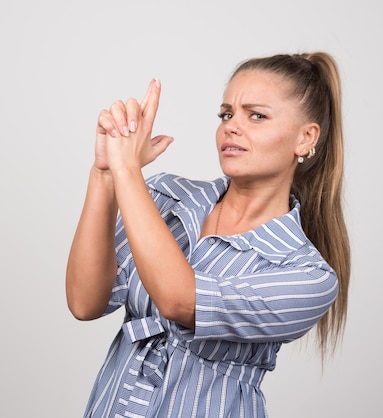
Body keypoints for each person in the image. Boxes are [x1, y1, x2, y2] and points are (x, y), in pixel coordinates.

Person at [65, 51, 351, 418]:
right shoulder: (164, 197)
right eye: (226, 114)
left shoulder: (308, 276)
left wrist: (127, 171)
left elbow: (179, 301)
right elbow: (84, 302)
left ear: (305, 138)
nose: (231, 126)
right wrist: (105, 173)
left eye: (257, 115)